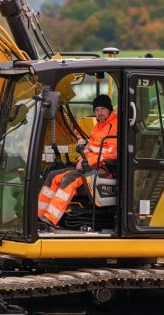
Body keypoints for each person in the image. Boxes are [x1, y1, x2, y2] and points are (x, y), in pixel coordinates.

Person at [38, 94, 118, 227]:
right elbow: (88, 148)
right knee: (53, 176)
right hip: (89, 166)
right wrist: (81, 159)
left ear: (109, 109)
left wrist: (87, 162)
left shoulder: (116, 125)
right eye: (97, 110)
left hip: (104, 168)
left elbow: (112, 153)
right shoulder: (97, 127)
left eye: (103, 109)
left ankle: (51, 218)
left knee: (69, 178)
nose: (100, 113)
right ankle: (39, 214)